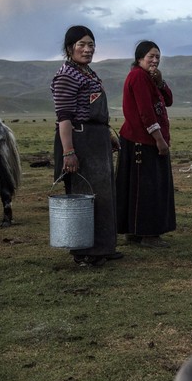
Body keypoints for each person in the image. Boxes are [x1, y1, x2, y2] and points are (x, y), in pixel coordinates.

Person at [51, 25, 121, 267]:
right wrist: (69, 151)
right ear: (70, 48)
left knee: (103, 194)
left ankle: (103, 247)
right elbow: (65, 117)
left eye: (91, 45)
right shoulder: (66, 76)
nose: (87, 49)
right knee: (85, 194)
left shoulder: (88, 73)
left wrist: (107, 135)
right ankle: (85, 252)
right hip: (80, 141)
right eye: (81, 44)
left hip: (96, 139)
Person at [116, 40, 176, 248]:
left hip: (136, 140)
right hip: (143, 141)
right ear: (139, 58)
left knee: (135, 186)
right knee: (149, 187)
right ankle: (149, 234)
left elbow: (168, 101)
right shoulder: (139, 77)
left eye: (158, 57)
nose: (155, 60)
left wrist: (160, 82)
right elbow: (145, 112)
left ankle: (134, 231)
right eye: (151, 56)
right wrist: (159, 140)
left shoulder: (148, 78)